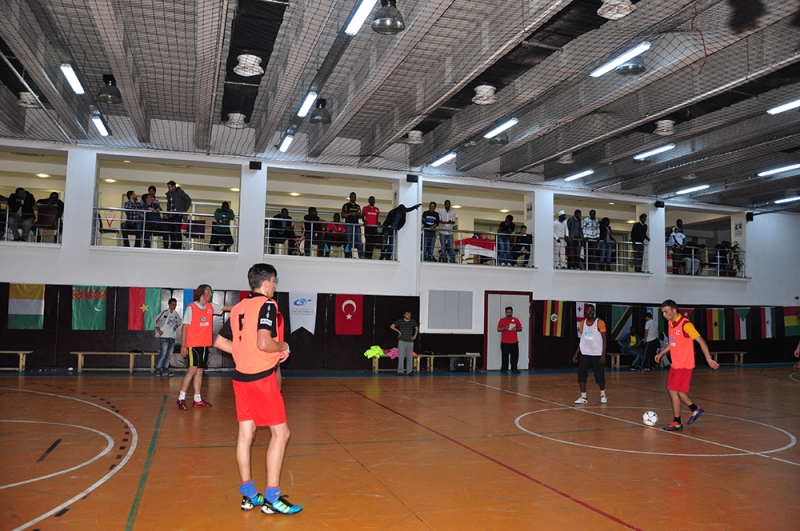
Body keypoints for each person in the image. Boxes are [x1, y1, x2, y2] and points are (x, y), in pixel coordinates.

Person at [213, 263, 302, 515]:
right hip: (261, 378)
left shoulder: (238, 307)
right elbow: (264, 343)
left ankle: (250, 495)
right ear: (265, 283)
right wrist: (284, 346)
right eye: (273, 281)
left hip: (240, 378)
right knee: (281, 434)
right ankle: (273, 498)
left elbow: (219, 341)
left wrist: (244, 351)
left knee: (246, 434)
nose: (274, 286)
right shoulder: (268, 305)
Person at [654, 299, 720, 431]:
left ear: (674, 310)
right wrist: (661, 353)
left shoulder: (686, 324)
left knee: (673, 391)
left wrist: (708, 359)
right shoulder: (671, 323)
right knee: (677, 391)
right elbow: (672, 343)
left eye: (666, 312)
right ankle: (695, 409)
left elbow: (701, 341)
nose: (664, 315)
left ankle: (677, 421)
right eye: (663, 312)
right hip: (675, 364)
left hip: (684, 365)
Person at [177, 284, 232, 410]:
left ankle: (197, 399)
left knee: (200, 371)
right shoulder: (191, 307)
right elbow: (184, 327)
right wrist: (183, 345)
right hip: (193, 344)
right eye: (208, 291)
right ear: (202, 292)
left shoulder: (210, 306)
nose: (210, 294)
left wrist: (244, 306)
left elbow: (227, 307)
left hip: (204, 344)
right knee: (192, 370)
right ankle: (181, 398)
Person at [572, 304, 608, 404]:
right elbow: (582, 339)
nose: (590, 312)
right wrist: (576, 354)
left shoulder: (599, 322)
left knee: (599, 376)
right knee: (581, 375)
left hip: (597, 354)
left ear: (594, 311)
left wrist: (603, 355)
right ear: (585, 312)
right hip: (585, 353)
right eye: (588, 310)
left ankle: (603, 395)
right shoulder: (583, 323)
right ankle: (583, 397)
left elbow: (605, 340)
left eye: (592, 310)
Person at [153, 298, 181, 377]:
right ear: (169, 305)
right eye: (173, 304)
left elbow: (179, 321)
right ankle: (158, 370)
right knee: (163, 354)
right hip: (164, 337)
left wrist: (175, 328)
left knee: (168, 355)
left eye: (175, 305)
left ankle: (165, 370)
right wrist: (159, 330)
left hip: (171, 337)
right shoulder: (165, 312)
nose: (174, 306)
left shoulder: (175, 313)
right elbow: (155, 320)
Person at [164, 180, 191, 250]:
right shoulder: (169, 194)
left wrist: (184, 209)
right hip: (171, 214)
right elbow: (169, 204)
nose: (168, 188)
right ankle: (173, 246)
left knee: (177, 230)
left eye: (169, 187)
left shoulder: (180, 192)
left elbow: (188, 199)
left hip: (177, 214)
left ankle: (179, 246)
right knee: (171, 231)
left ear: (174, 187)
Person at [390, 311, 418, 375]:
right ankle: (400, 371)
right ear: (404, 315)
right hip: (402, 341)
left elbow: (416, 328)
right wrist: (398, 331)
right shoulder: (400, 321)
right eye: (407, 314)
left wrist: (415, 335)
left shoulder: (413, 321)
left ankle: (409, 371)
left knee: (409, 357)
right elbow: (392, 326)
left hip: (410, 341)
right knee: (401, 357)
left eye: (409, 314)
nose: (408, 316)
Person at [497, 306, 523, 373]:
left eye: (510, 312)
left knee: (514, 357)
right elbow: (498, 329)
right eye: (507, 312)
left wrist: (516, 329)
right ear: (505, 313)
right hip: (505, 342)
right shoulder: (502, 320)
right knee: (504, 357)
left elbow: (520, 329)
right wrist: (504, 328)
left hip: (514, 342)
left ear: (512, 312)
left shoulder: (516, 320)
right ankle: (504, 369)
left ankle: (514, 369)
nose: (509, 313)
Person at [341, 192, 364, 259]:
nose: (353, 198)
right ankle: (349, 255)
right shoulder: (346, 205)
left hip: (356, 224)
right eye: (352, 197)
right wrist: (351, 214)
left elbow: (360, 216)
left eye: (354, 197)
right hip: (349, 224)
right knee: (349, 240)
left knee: (359, 240)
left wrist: (358, 214)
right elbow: (343, 215)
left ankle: (361, 255)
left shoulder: (358, 206)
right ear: (350, 197)